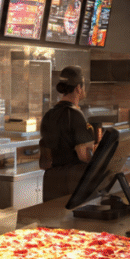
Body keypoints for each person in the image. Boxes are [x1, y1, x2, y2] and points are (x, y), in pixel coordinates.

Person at [39, 66, 96, 201]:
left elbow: (44, 161)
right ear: (78, 88)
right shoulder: (76, 115)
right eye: (83, 86)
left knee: (52, 214)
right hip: (71, 183)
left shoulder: (49, 115)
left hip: (51, 183)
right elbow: (85, 155)